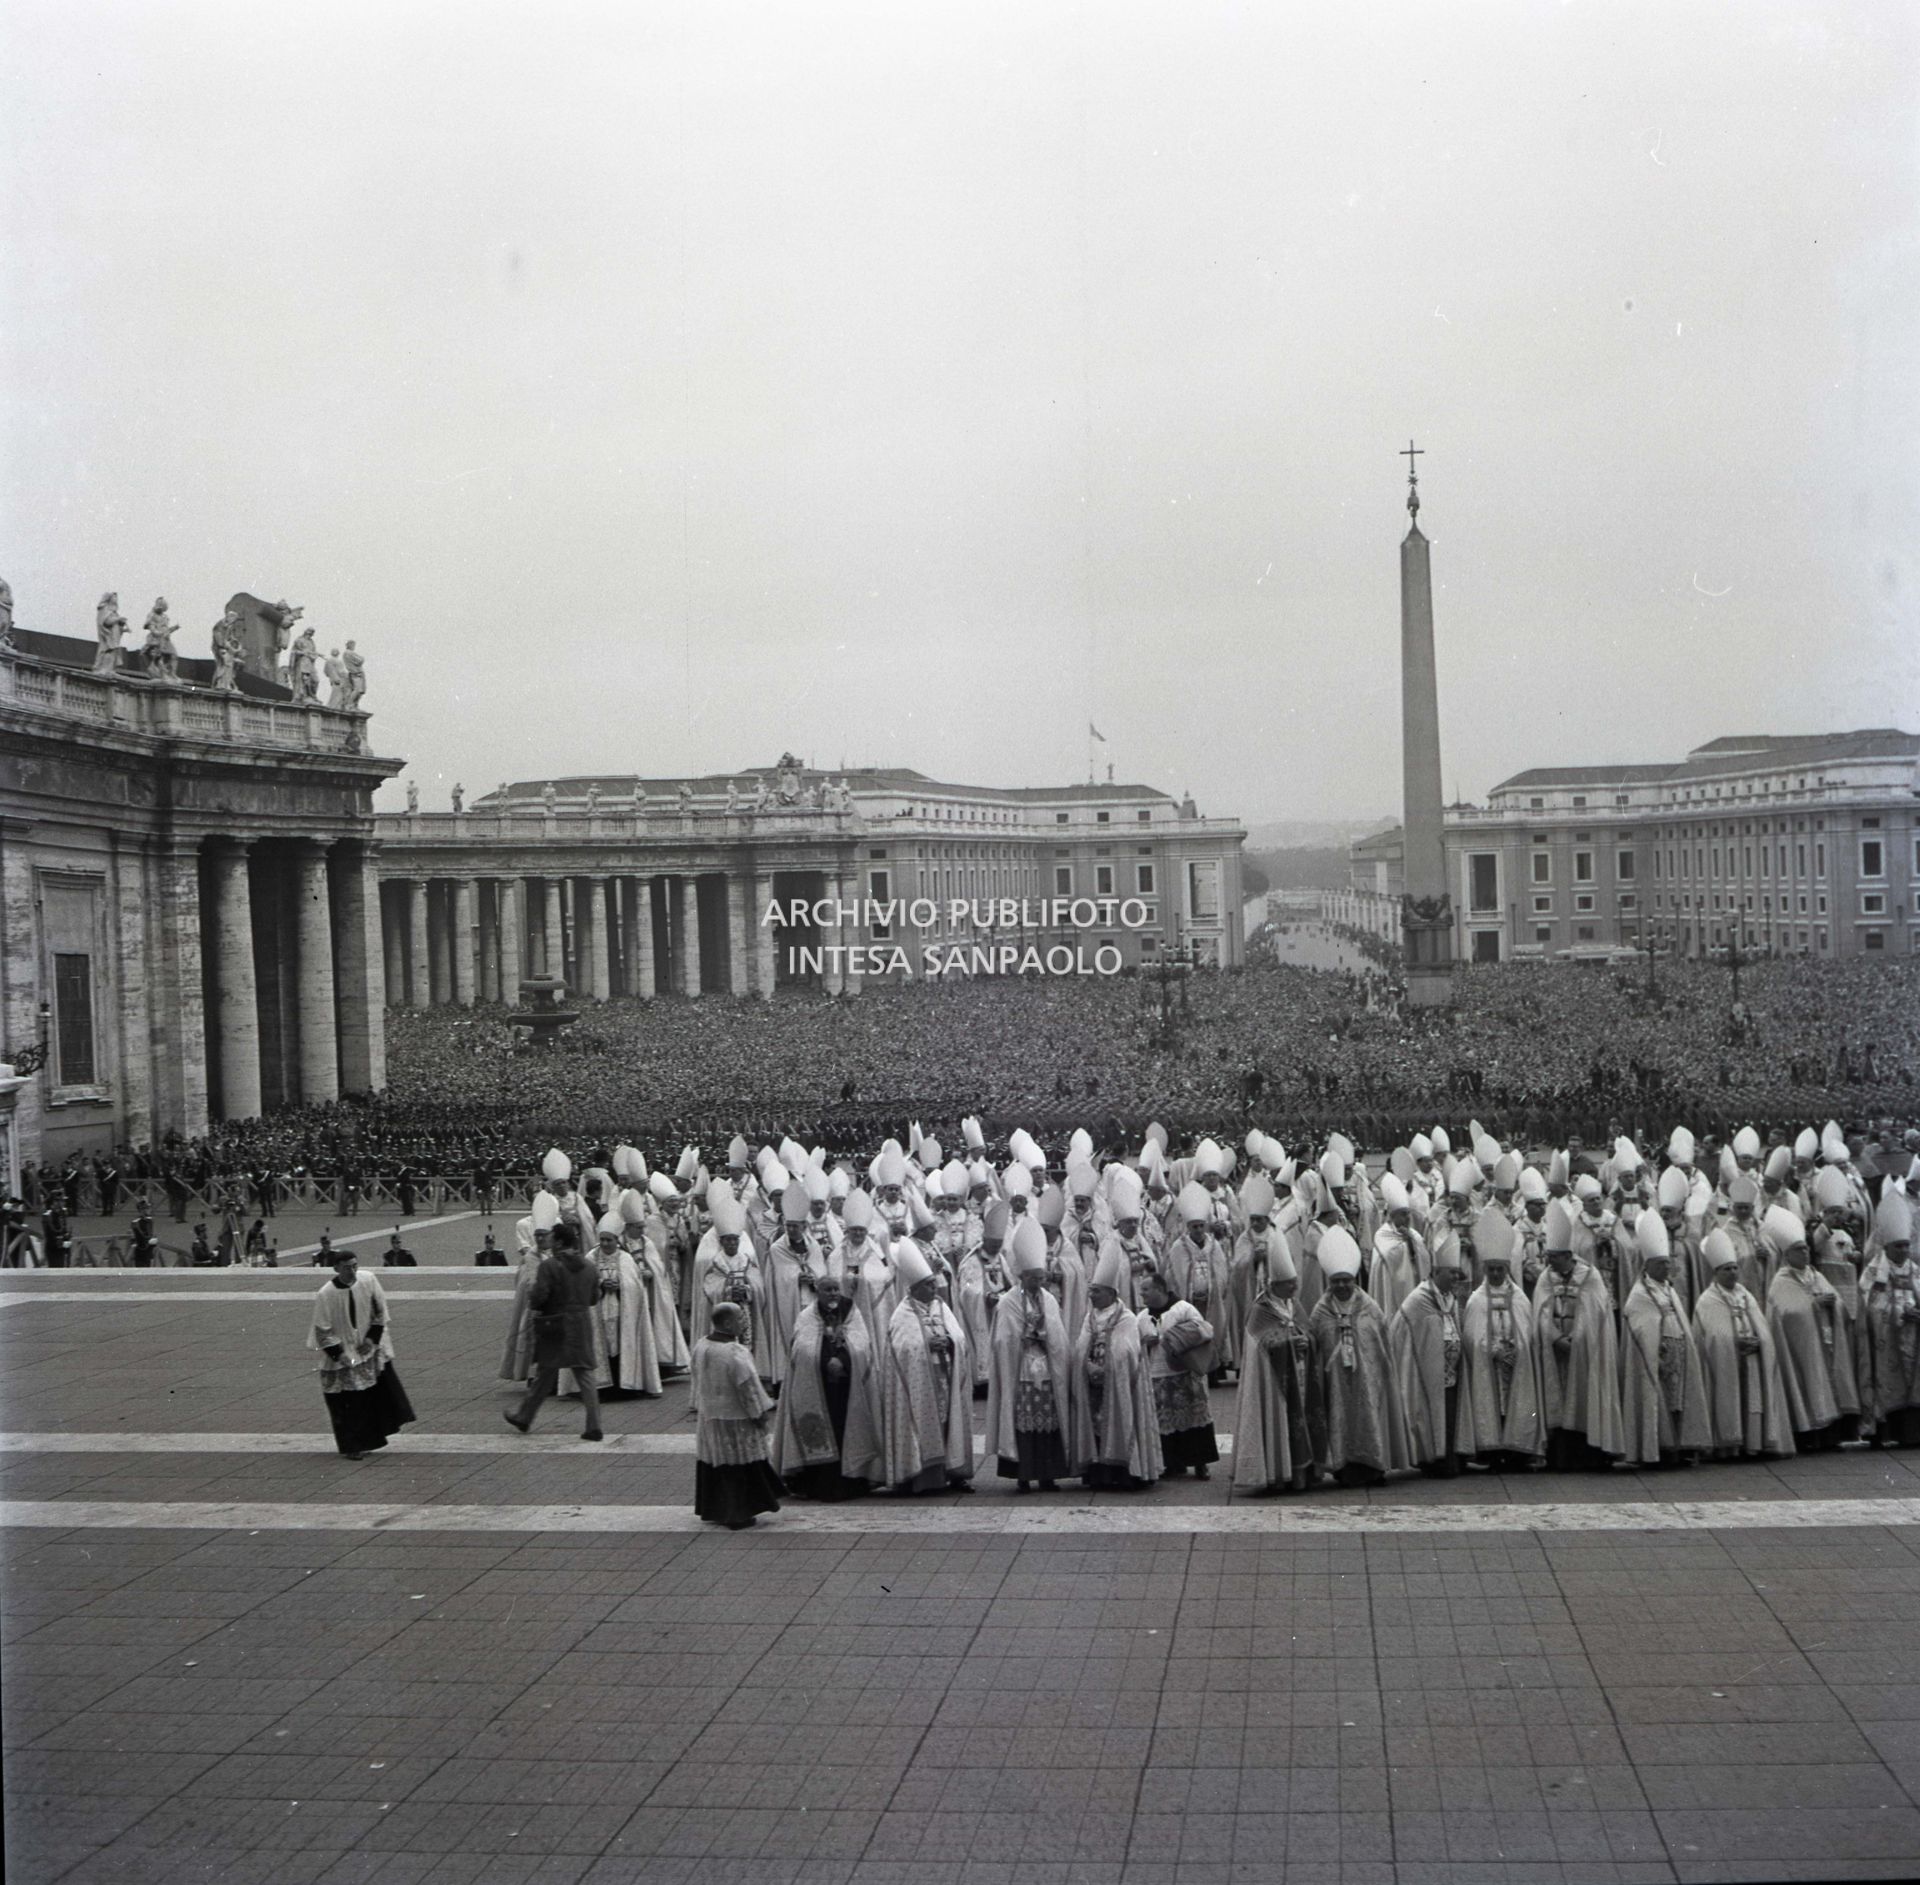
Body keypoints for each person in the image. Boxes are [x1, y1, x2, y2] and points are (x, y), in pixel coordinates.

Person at [1307, 1225, 1409, 1488]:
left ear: (1354, 1279)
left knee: (1368, 1417)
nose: (1341, 1285)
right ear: (1329, 1282)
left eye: (1346, 1280)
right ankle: (1343, 1466)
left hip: (1367, 1380)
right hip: (1336, 1382)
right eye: (1336, 1281)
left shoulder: (1370, 1308)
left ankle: (1374, 1466)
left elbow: (1381, 1343)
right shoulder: (1320, 1313)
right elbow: (1314, 1347)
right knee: (1339, 1418)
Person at [771, 1268, 881, 1499]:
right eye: (828, 1290)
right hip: (818, 1385)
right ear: (817, 1292)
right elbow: (801, 1347)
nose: (833, 1294)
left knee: (846, 1430)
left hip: (846, 1388)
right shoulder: (807, 1315)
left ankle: (852, 1481)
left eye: (835, 1289)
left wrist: (842, 1360)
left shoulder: (850, 1309)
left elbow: (862, 1341)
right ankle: (817, 1484)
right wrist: (824, 1361)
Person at [1531, 1201, 1624, 1472]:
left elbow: (1596, 1314)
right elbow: (1539, 1313)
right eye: (1549, 1258)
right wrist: (1556, 1338)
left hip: (1585, 1352)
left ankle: (1591, 1455)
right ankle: (1560, 1458)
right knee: (1558, 1401)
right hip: (1557, 1350)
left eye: (1555, 1258)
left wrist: (1577, 1340)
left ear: (1568, 1255)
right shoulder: (1546, 1277)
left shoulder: (1590, 1276)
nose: (1549, 1263)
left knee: (1584, 1399)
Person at [1763, 1204, 1861, 1453]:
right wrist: (1813, 1305)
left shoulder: (1815, 1274)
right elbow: (1787, 1312)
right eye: (1799, 1250)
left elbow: (1837, 1301)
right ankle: (1809, 1436)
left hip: (1825, 1338)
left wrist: (1832, 1305)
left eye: (1806, 1249)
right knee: (1809, 1382)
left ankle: (1830, 1435)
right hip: (1802, 1347)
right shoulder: (1781, 1281)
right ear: (1787, 1255)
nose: (1805, 1253)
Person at [983, 1217, 1072, 1491]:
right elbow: (1002, 1338)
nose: (1038, 1282)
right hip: (1021, 1370)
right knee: (1023, 1421)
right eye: (1033, 1278)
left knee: (1050, 1419)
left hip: (1046, 1367)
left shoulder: (1048, 1299)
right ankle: (1022, 1473)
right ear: (1022, 1276)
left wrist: (1047, 1338)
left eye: (1041, 1277)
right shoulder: (1008, 1302)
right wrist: (1024, 1338)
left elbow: (1059, 1333)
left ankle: (1048, 1474)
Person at [1231, 1229, 1322, 1494]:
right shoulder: (1261, 1310)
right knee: (1281, 1422)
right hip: (1274, 1382)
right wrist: (1291, 1343)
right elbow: (1260, 1344)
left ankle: (1302, 1472)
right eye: (1290, 1284)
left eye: (1295, 1282)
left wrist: (1308, 1342)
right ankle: (1278, 1472)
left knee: (1302, 1418)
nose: (1295, 1288)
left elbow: (1308, 1331)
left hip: (1301, 1373)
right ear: (1274, 1285)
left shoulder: (1293, 1304)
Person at [1617, 1211, 1710, 1470]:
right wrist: (1656, 1348)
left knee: (1678, 1403)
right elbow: (1641, 1325)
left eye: (1668, 1264)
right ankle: (1656, 1449)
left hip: (1677, 1350)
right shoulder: (1639, 1294)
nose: (1667, 1268)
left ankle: (1681, 1447)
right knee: (1658, 1401)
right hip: (1657, 1354)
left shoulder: (1669, 1289)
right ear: (1647, 1266)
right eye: (1661, 1264)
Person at [880, 1243, 975, 1493]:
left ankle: (954, 1473)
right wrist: (926, 1344)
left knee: (949, 1422)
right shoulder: (903, 1313)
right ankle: (923, 1477)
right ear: (915, 1288)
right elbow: (900, 1347)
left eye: (934, 1284)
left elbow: (960, 1337)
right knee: (923, 1424)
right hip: (919, 1381)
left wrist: (950, 1342)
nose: (935, 1289)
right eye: (930, 1285)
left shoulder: (941, 1307)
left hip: (945, 1376)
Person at [1693, 1229, 1794, 1460]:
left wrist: (1761, 1341)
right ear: (1716, 1272)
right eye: (1726, 1269)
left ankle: (1754, 1443)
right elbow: (1712, 1337)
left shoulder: (1745, 1294)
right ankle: (1728, 1446)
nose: (1732, 1272)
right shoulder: (1707, 1300)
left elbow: (1762, 1327)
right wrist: (1735, 1344)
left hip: (1752, 1358)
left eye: (1735, 1268)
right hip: (1728, 1361)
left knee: (1753, 1401)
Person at [307, 1250, 416, 1460]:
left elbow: (379, 1311)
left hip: (366, 1349)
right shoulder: (326, 1294)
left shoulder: (368, 1280)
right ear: (336, 1268)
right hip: (343, 1354)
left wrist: (372, 1339)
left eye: (355, 1265)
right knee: (348, 1402)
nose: (352, 1271)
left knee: (369, 1398)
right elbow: (322, 1330)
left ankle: (369, 1439)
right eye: (347, 1267)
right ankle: (352, 1445)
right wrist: (338, 1354)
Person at [1069, 1247, 1163, 1489]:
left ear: (1111, 1293)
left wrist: (1106, 1369)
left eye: (1096, 1291)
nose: (1091, 1295)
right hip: (1093, 1380)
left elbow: (1127, 1351)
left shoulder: (1126, 1318)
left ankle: (1123, 1473)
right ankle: (1098, 1474)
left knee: (1118, 1422)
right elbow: (1080, 1347)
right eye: (1090, 1290)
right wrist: (1087, 1365)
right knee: (1096, 1424)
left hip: (1118, 1382)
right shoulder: (1089, 1317)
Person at [504, 1220, 606, 1441]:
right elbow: (593, 1298)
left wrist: (534, 1302)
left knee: (545, 1373)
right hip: (581, 1322)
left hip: (556, 1323)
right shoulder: (589, 1266)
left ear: (559, 1242)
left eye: (552, 1238)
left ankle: (524, 1416)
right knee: (585, 1374)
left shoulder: (549, 1266)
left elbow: (540, 1296)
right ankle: (594, 1425)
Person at [1460, 1210, 1543, 1471]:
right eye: (1491, 1269)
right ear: (1484, 1269)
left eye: (1500, 1268)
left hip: (1515, 1363)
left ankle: (1516, 1451)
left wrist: (1516, 1348)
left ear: (1507, 1268)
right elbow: (1472, 1338)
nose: (1495, 1273)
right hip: (1490, 1363)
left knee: (1514, 1404)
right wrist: (1490, 1350)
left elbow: (1528, 1332)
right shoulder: (1476, 1299)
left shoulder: (1519, 1298)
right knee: (1492, 1404)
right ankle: (1492, 1451)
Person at [691, 1302, 785, 1530]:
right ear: (727, 1323)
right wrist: (759, 1414)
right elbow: (748, 1389)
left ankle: (716, 1509)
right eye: (740, 1318)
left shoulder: (701, 1345)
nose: (744, 1322)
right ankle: (738, 1513)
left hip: (710, 1414)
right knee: (739, 1465)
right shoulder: (735, 1353)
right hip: (736, 1418)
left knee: (717, 1463)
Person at [1391, 1232, 1474, 1477]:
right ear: (1436, 1272)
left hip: (1451, 1371)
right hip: (1426, 1373)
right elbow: (1399, 1331)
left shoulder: (1450, 1297)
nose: (1456, 1277)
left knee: (1450, 1416)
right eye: (1452, 1273)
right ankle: (1431, 1459)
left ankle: (1451, 1459)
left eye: (1457, 1273)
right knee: (1432, 1414)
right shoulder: (1418, 1299)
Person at [1140, 1270, 1219, 1479]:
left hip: (1185, 1371)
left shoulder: (1184, 1309)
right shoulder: (1141, 1317)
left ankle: (1201, 1463)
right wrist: (1144, 1343)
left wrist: (1173, 1337)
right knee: (1164, 1420)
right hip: (1156, 1374)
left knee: (1194, 1416)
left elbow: (1205, 1331)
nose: (1142, 1295)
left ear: (1159, 1289)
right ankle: (1172, 1463)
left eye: (1146, 1290)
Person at [1857, 1187, 1920, 1448]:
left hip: (1915, 1337)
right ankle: (1885, 1432)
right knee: (1886, 1381)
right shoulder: (1874, 1271)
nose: (1904, 1250)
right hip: (1886, 1342)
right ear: (1886, 1245)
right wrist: (1896, 1314)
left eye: (1907, 1245)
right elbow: (1869, 1305)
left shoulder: (1915, 1270)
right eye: (1899, 1246)